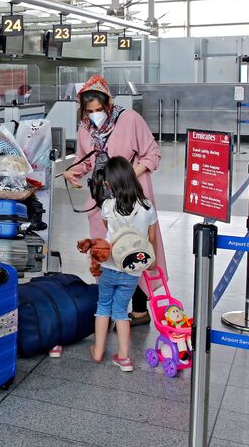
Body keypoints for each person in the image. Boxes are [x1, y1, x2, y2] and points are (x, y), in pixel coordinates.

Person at [62, 75, 165, 327]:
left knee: (136, 246)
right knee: (103, 249)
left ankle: (140, 310)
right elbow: (86, 160)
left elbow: (152, 154)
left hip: (131, 194)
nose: (95, 115)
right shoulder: (85, 127)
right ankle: (105, 309)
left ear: (108, 104)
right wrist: (72, 172)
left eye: (99, 109)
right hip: (100, 198)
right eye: (90, 111)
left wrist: (127, 176)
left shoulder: (129, 120)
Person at [89, 156, 158, 371]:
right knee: (120, 310)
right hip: (132, 270)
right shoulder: (147, 207)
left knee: (103, 306)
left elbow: (107, 229)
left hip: (110, 266)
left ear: (110, 183)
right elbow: (151, 238)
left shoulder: (108, 206)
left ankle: (98, 351)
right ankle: (125, 358)